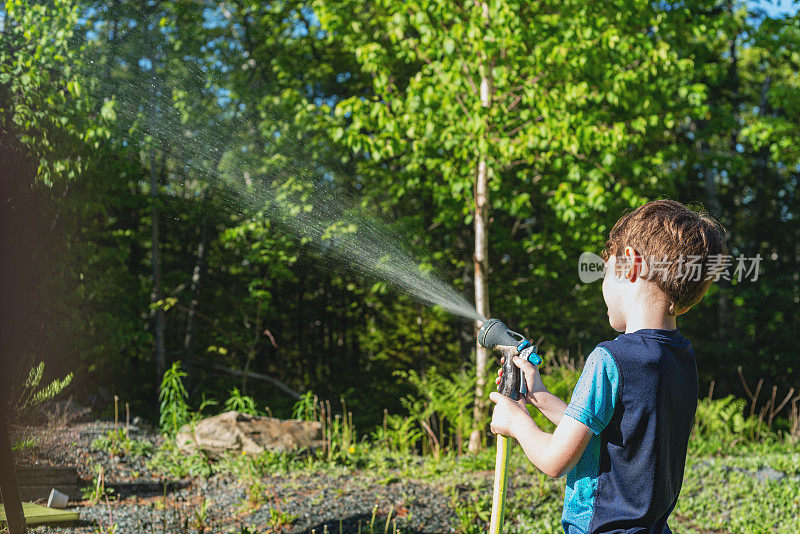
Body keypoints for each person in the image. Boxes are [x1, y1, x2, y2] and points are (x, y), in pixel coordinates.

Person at [489, 199, 727, 533]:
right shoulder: (681, 357)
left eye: (605, 273)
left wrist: (516, 422)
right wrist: (538, 394)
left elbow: (556, 460)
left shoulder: (609, 359)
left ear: (630, 264)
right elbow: (611, 432)